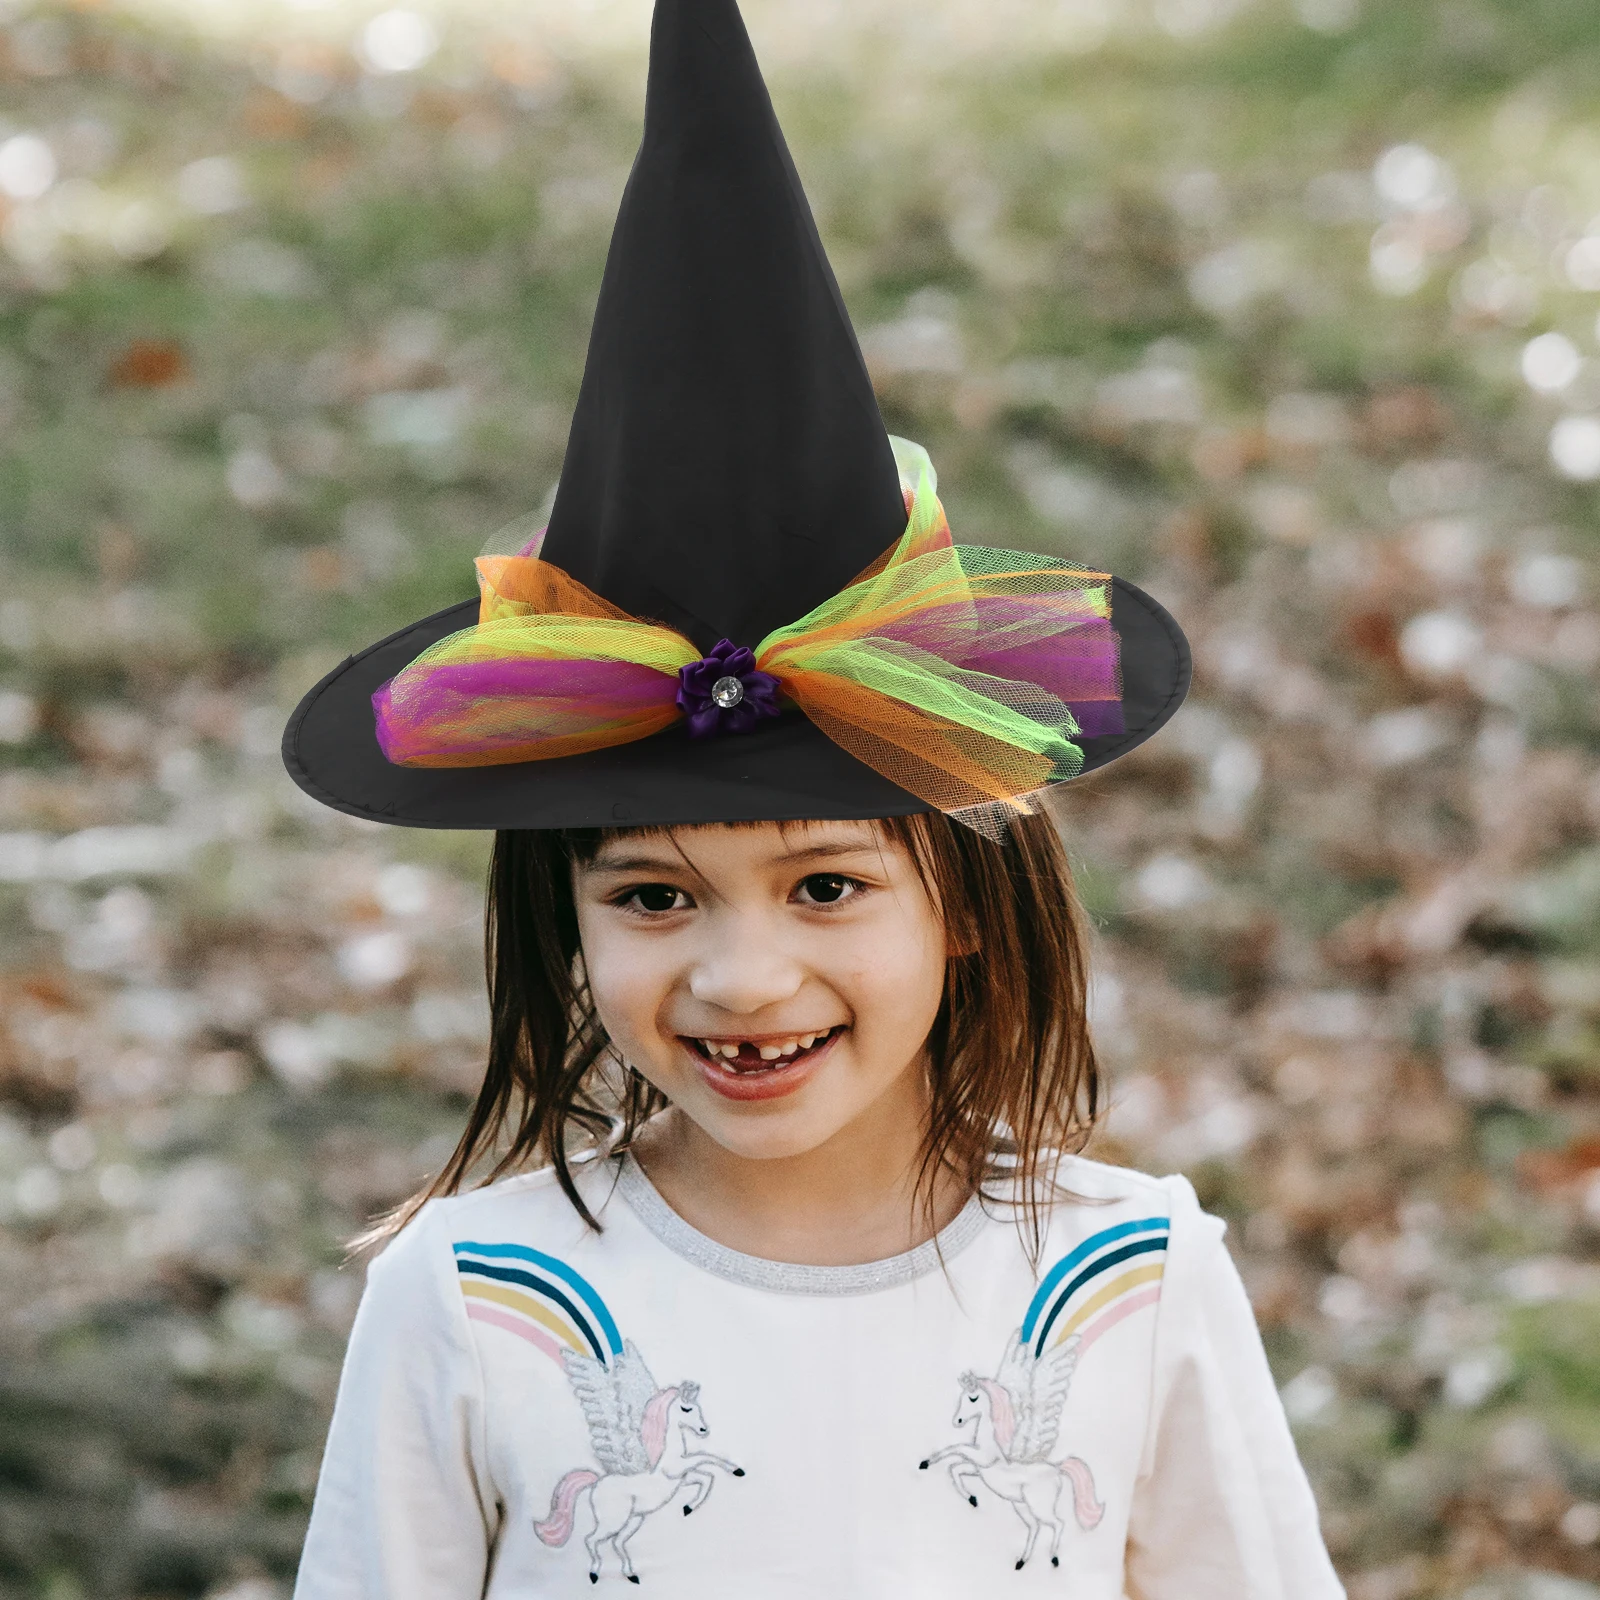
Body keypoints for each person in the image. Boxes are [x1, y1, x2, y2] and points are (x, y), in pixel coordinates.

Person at [282, 1, 1346, 1595]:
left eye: (829, 884)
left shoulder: (1126, 1283)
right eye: (650, 893)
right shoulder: (479, 1298)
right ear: (561, 916)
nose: (742, 975)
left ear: (969, 902)